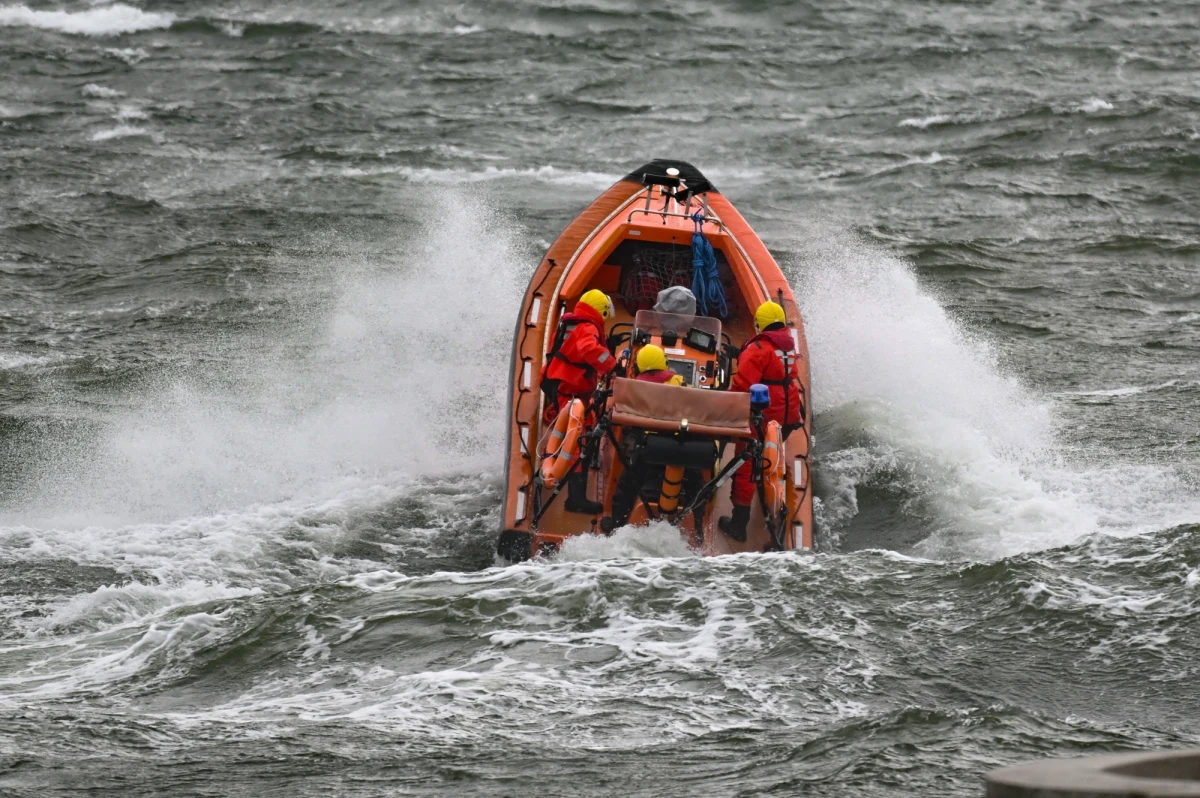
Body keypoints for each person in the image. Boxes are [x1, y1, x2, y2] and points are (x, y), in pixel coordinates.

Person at [718, 301, 803, 541]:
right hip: (788, 414)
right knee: (771, 457)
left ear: (760, 325)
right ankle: (772, 497)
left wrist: (722, 411)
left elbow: (743, 386)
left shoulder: (757, 349)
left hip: (764, 416)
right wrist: (741, 353)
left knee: (746, 468)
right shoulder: (788, 346)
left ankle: (739, 524)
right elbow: (772, 367)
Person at [542, 288, 616, 514]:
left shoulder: (570, 323)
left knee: (581, 428)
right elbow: (589, 350)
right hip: (571, 389)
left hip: (560, 383)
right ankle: (575, 498)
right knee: (579, 440)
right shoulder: (588, 327)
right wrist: (612, 365)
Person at [605, 345, 684, 529]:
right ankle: (697, 528)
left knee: (627, 487)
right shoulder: (680, 382)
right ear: (664, 363)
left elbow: (618, 413)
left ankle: (616, 525)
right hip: (679, 446)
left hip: (648, 448)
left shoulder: (634, 388)